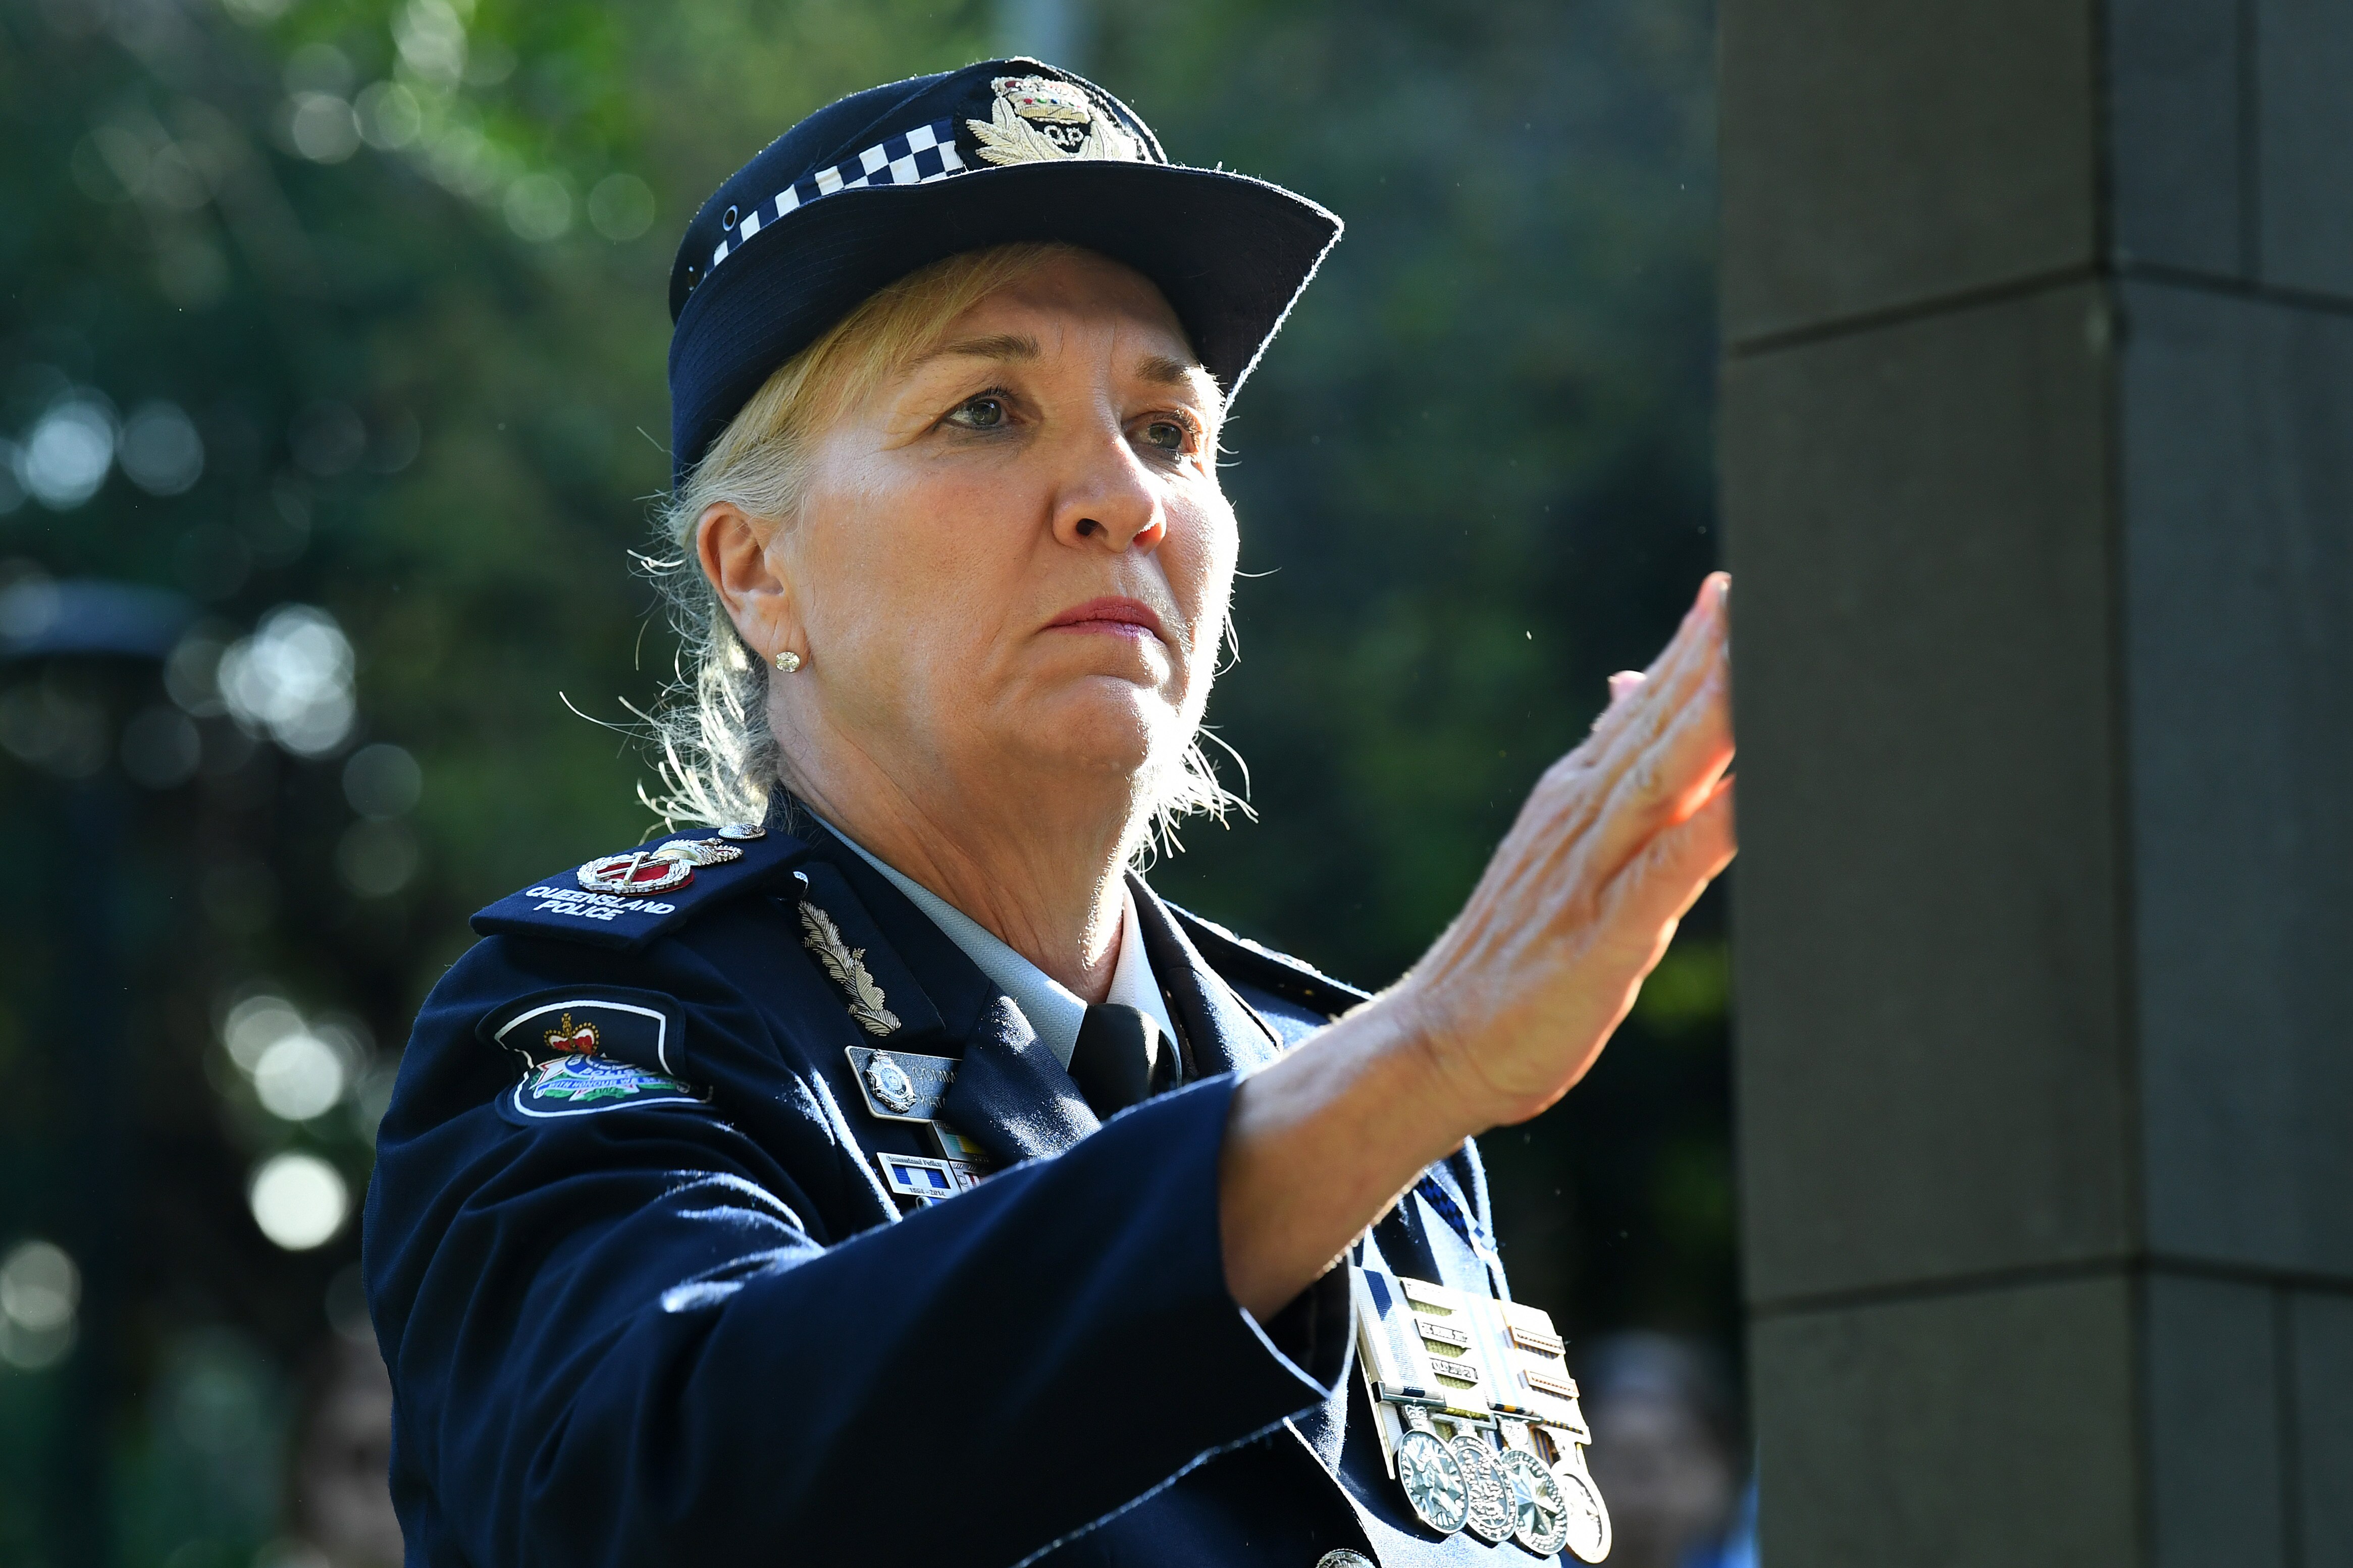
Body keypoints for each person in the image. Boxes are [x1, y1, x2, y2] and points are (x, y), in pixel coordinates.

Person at [363, 58, 1735, 1568]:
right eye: (987, 409)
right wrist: (1414, 1062)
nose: (1119, 497)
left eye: (1167, 428)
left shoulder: (1351, 1088)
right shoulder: (609, 1021)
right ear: (759, 571)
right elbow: (656, 1491)